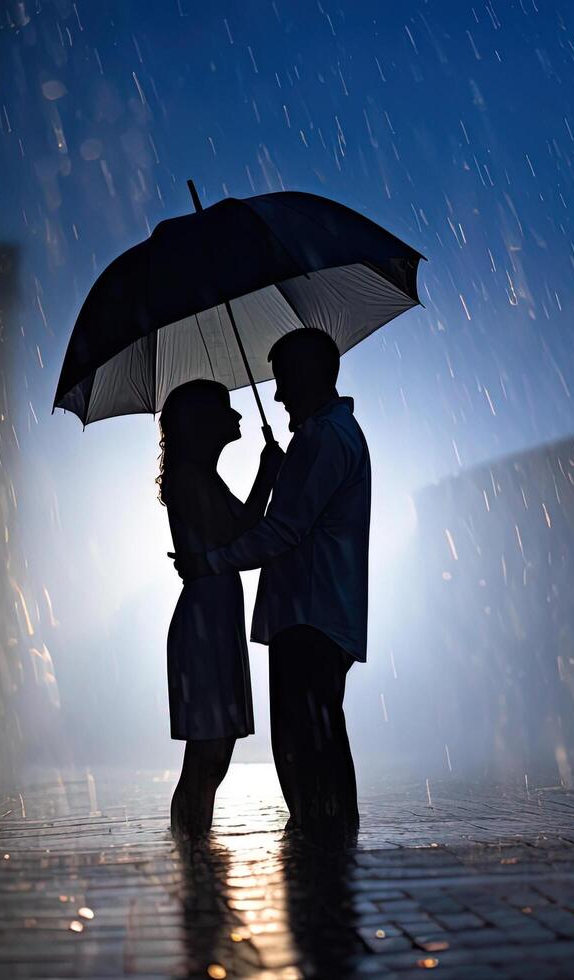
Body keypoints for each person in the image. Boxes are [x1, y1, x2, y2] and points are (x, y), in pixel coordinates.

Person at [173, 329, 369, 837]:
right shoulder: (324, 437)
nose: (276, 393)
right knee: (303, 736)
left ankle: (323, 843)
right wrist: (271, 473)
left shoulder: (323, 439)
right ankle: (323, 844)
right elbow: (267, 527)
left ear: (305, 376)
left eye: (282, 380)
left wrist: (212, 561)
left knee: (303, 738)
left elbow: (279, 529)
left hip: (308, 615)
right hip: (304, 613)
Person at [159, 379, 285, 837]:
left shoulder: (201, 475)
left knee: (214, 750)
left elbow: (241, 529)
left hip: (215, 614)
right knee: (206, 753)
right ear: (201, 423)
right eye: (226, 410)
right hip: (204, 621)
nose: (237, 418)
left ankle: (194, 847)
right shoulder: (188, 478)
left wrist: (269, 478)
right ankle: (190, 850)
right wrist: (267, 475)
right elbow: (239, 532)